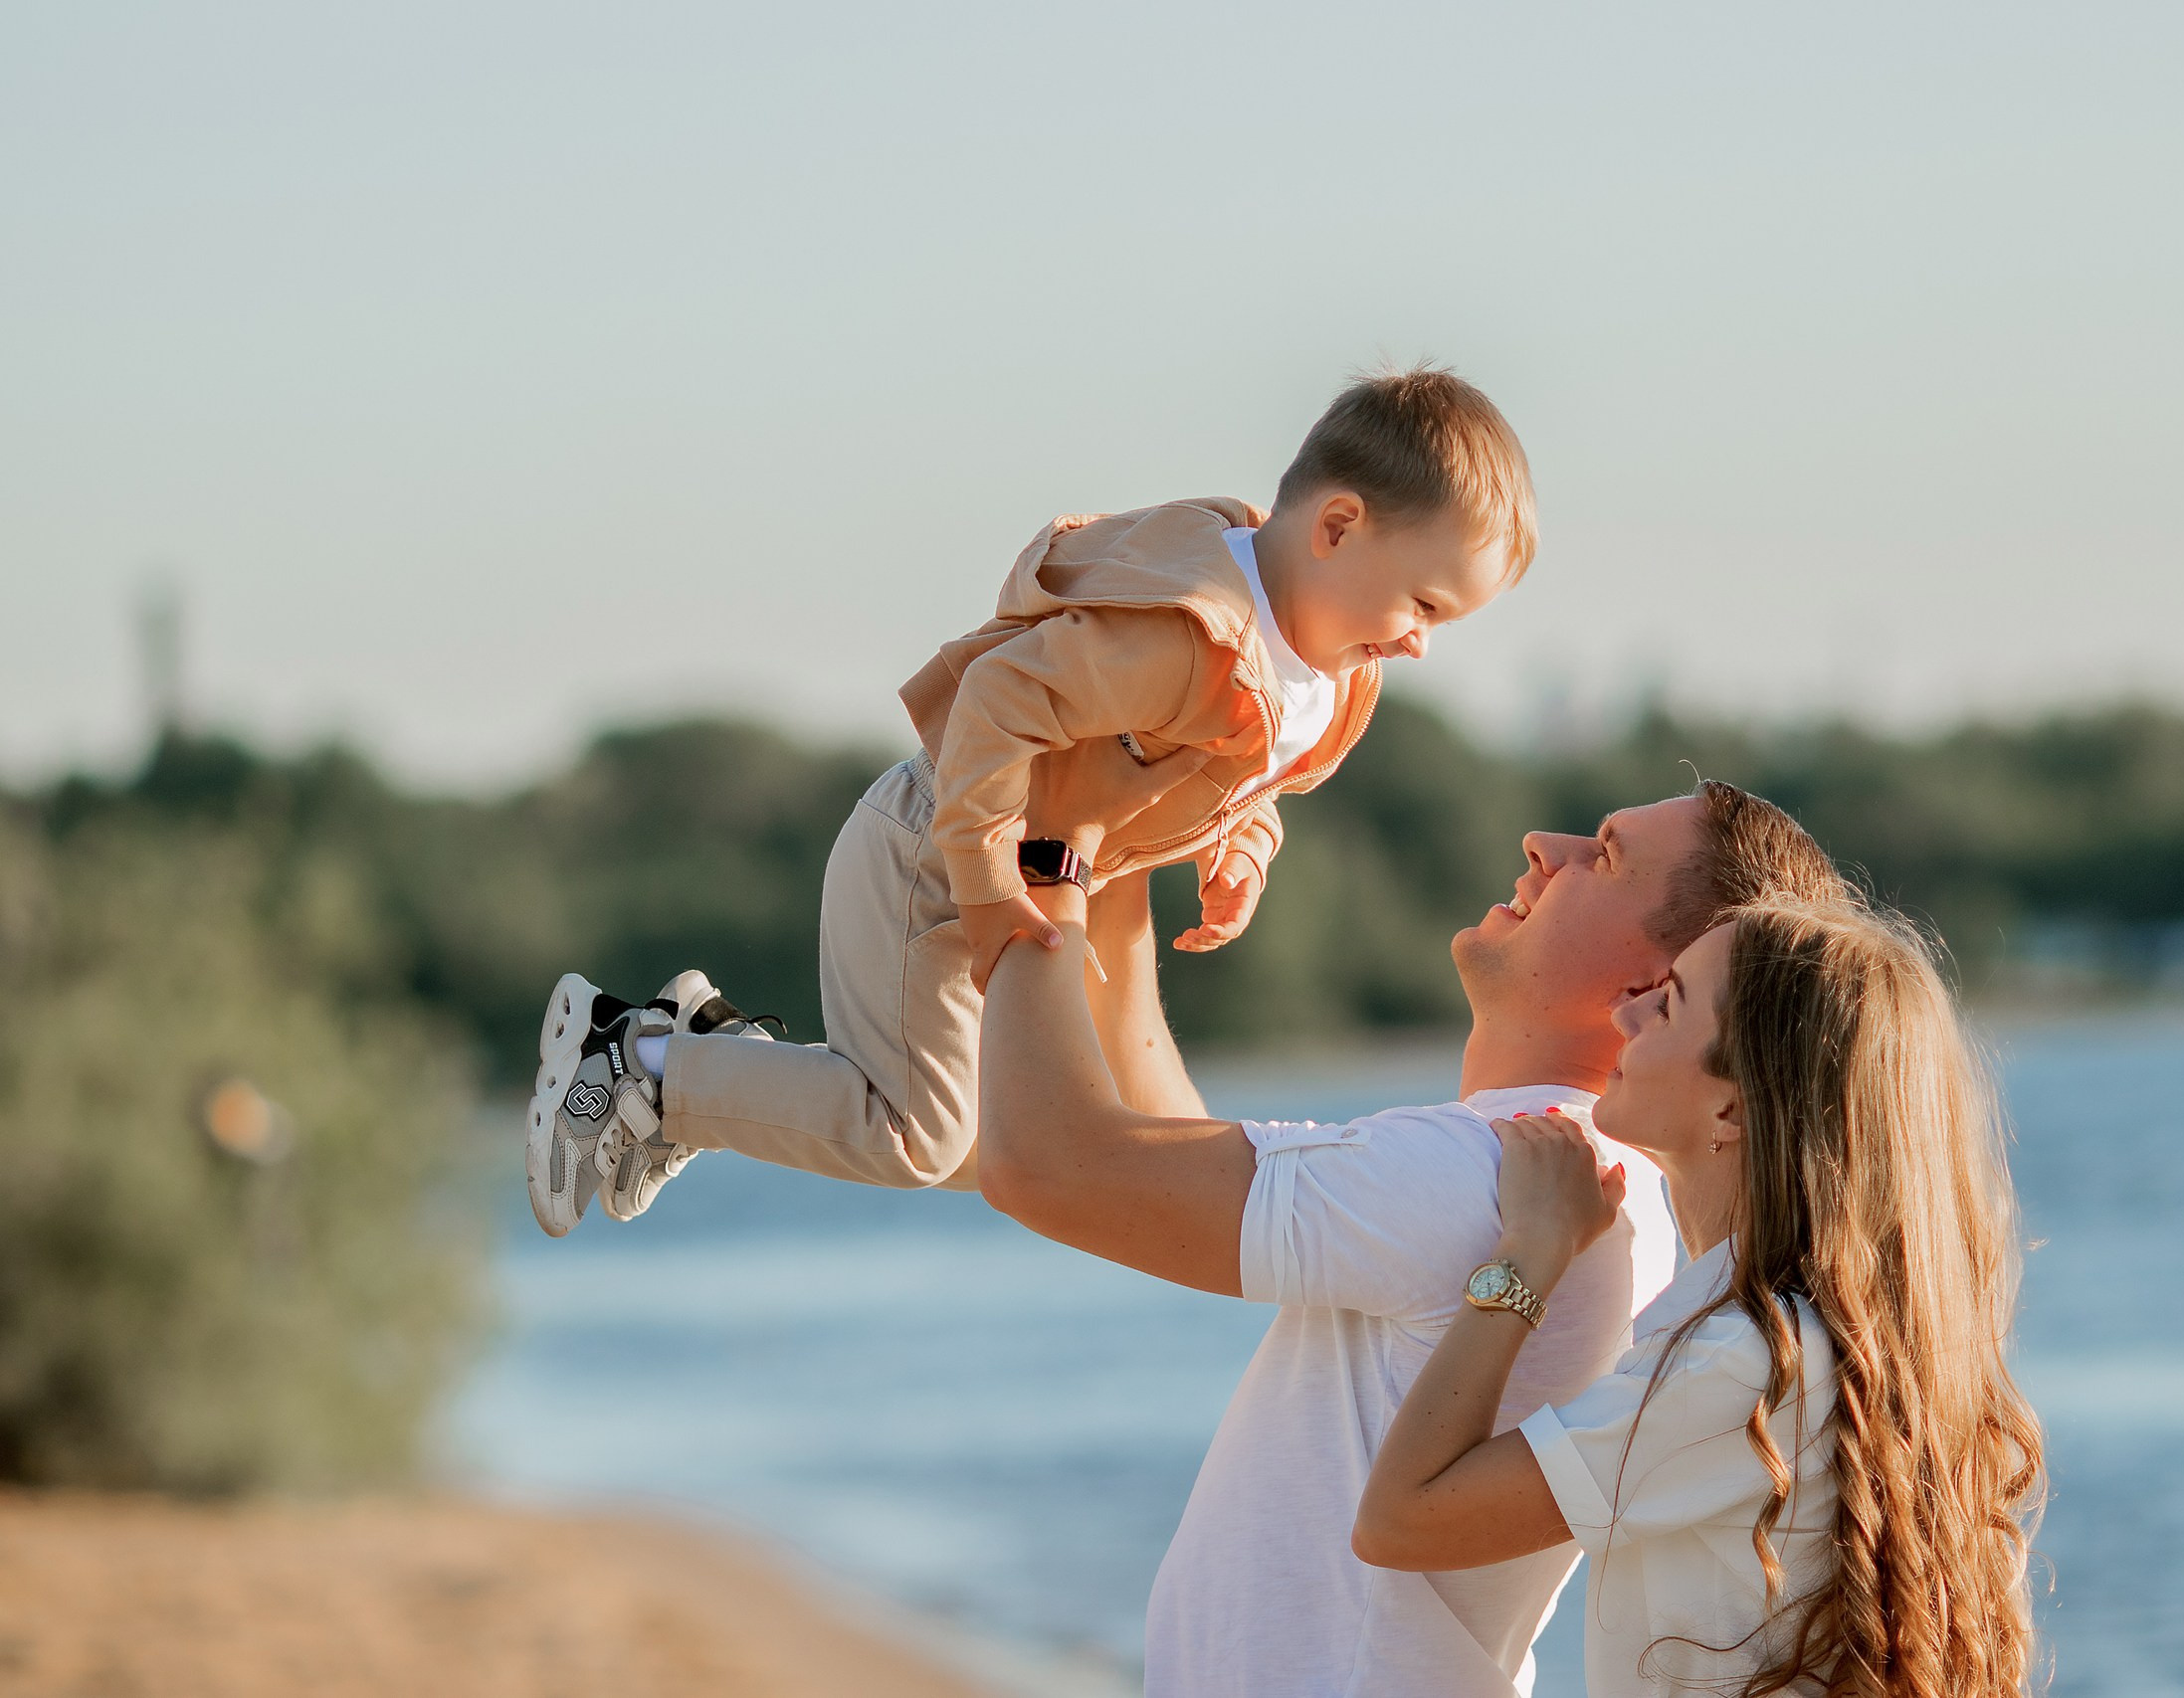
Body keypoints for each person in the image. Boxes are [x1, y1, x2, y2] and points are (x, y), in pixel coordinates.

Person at [522, 366, 1537, 1235]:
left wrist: (1243, 852)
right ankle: (638, 1060)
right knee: (917, 1139)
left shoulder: (1321, 665)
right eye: (1424, 605)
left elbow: (1246, 777)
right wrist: (978, 882)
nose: (1419, 643)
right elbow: (997, 701)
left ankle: (710, 1058)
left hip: (1023, 871)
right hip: (932, 854)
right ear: (1338, 526)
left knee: (1010, 1154)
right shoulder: (1184, 637)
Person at [973, 734, 1849, 1698]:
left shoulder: (1489, 1170)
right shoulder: (1544, 1169)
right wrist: (1126, 859)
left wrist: (1055, 845)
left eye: (1599, 857)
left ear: (1651, 990)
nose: (1539, 846)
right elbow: (1157, 1153)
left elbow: (1048, 1168)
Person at [1352, 897, 2045, 1698]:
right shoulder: (1820, 1340)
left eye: (1667, 1000)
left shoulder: (1746, 1363)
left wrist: (1531, 1253)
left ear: (1733, 1106)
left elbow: (1403, 1517)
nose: (1624, 1008)